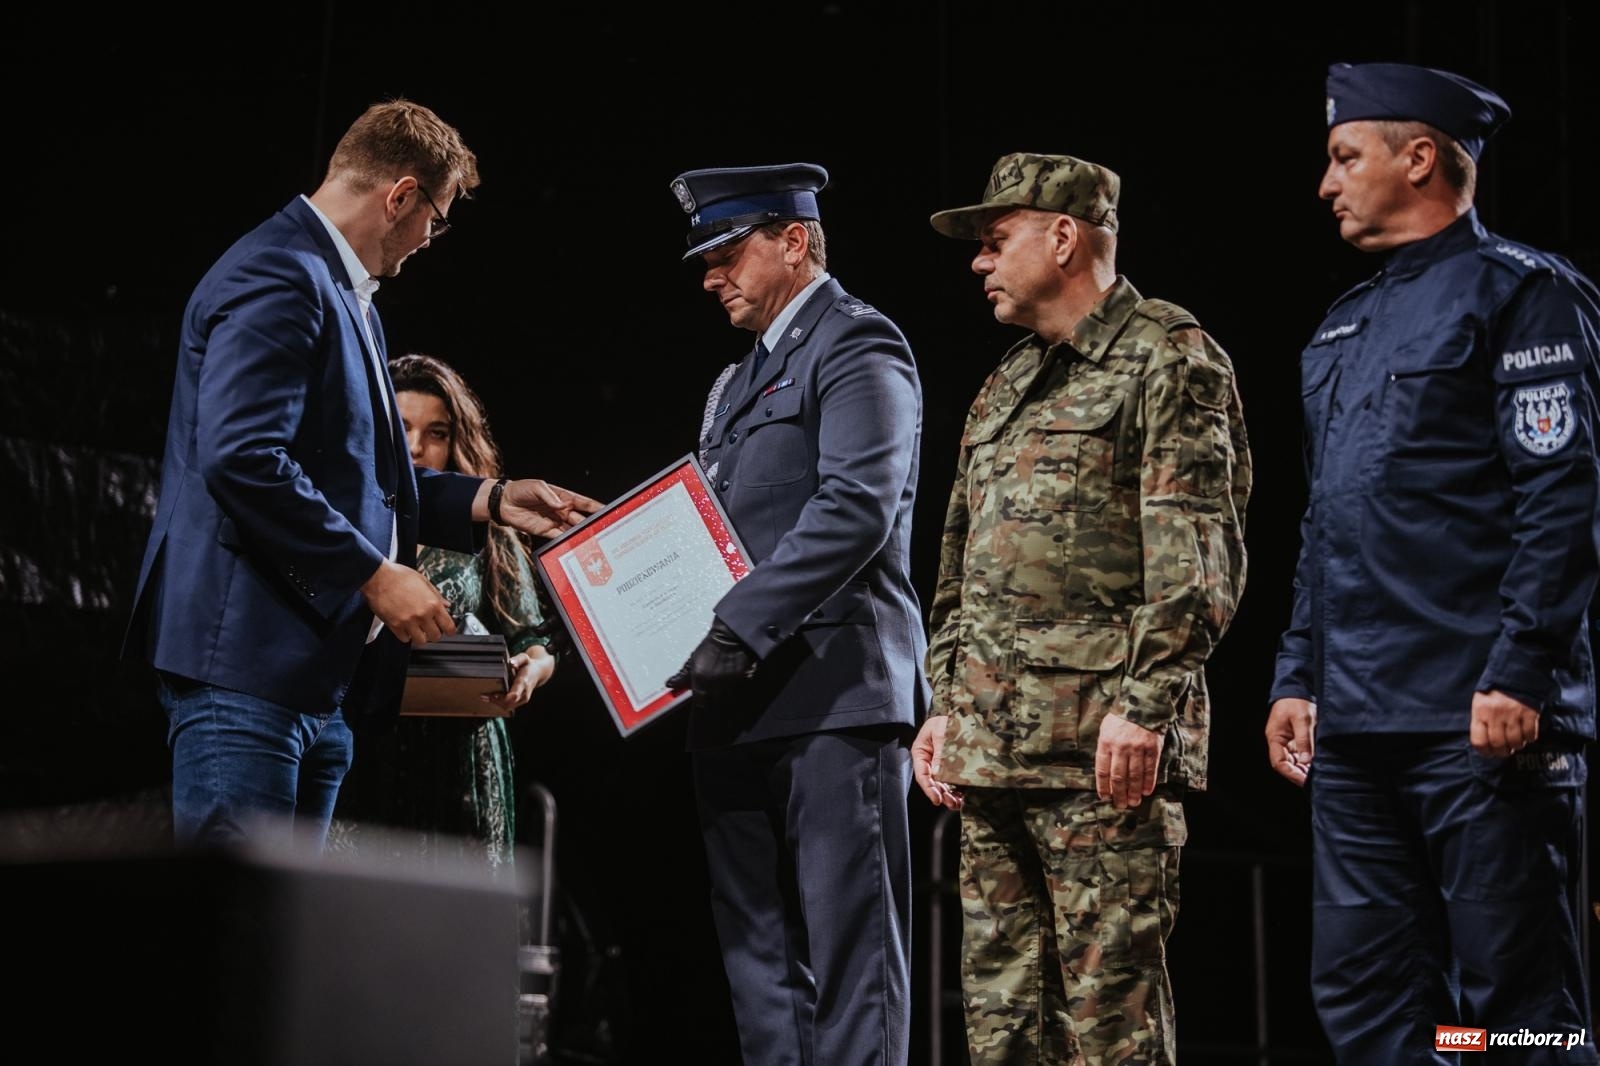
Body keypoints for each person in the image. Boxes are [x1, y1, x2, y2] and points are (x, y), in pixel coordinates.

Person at [124, 98, 599, 851]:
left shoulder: (350, 300)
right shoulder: (281, 275)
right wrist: (373, 574)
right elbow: (242, 458)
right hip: (246, 672)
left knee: (279, 950)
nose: (428, 240)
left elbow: (371, 480)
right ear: (401, 195)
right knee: (234, 942)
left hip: (309, 684)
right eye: (435, 219)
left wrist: (498, 499)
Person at [1265, 62, 1600, 1062]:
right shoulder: (1337, 328)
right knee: (1367, 999)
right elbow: (1326, 521)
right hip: (1357, 726)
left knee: (1511, 1015)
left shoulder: (1523, 294)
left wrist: (1522, 665)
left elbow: (1563, 494)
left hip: (1477, 719)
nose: (1325, 183)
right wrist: (1296, 672)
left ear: (1418, 159)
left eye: (1342, 157)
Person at [912, 152, 1251, 1065]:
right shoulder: (1008, 382)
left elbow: (1197, 559)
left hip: (1104, 760)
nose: (979, 263)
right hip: (993, 759)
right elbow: (956, 565)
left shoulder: (1168, 356)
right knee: (1002, 1028)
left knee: (1110, 1027)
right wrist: (945, 703)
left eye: (996, 241)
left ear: (1064, 236)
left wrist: (1146, 708)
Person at [662, 163, 928, 1066]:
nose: (711, 276)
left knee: (852, 953)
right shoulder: (732, 383)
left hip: (831, 695)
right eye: (704, 259)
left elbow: (857, 505)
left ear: (795, 241)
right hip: (731, 703)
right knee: (756, 956)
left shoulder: (858, 346)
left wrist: (737, 626)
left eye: (728, 252)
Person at [332, 353, 557, 872]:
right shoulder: (343, 519)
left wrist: (534, 669)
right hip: (363, 747)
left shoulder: (487, 525)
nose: (416, 447)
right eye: (402, 427)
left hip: (461, 756)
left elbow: (532, 640)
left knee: (457, 924)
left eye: (435, 432)